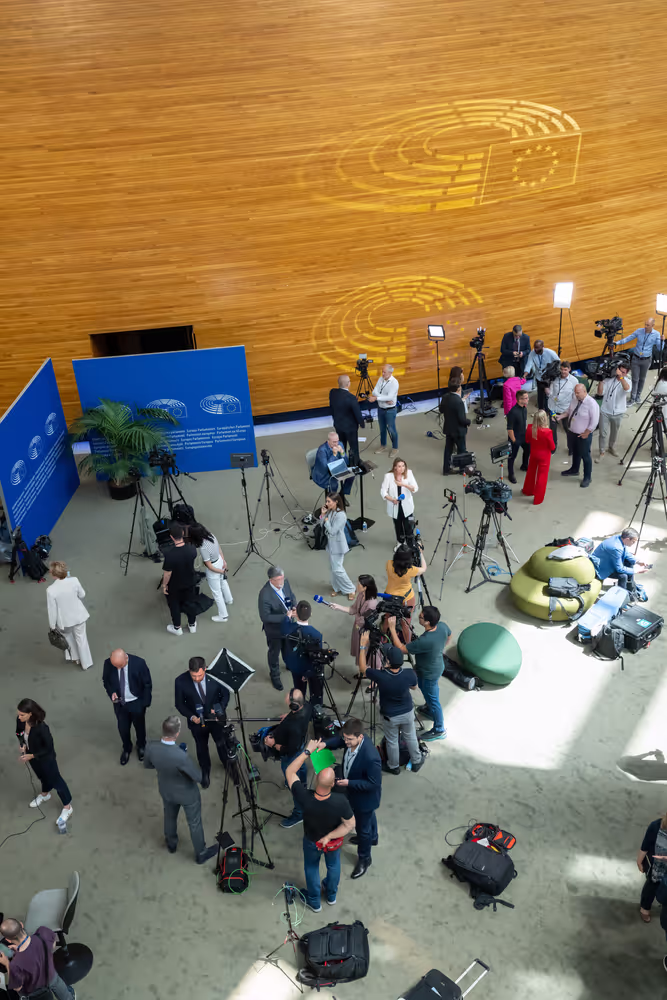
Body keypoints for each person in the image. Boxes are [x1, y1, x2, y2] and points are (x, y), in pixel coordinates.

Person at [285, 739, 356, 912]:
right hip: (333, 842)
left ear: (316, 780)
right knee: (333, 865)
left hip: (311, 840)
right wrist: (330, 837)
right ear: (333, 784)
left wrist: (307, 751)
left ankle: (315, 901)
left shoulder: (304, 797)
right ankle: (331, 895)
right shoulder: (341, 801)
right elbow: (350, 825)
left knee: (311, 867)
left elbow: (290, 771)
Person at [143, 715, 218, 864]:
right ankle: (201, 852)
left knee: (169, 816)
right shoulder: (180, 756)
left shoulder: (150, 746)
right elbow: (197, 776)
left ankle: (171, 844)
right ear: (177, 733)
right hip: (187, 794)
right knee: (194, 823)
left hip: (166, 789)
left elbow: (148, 765)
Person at [321, 718, 382, 879]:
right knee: (369, 819)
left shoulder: (370, 757)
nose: (346, 742)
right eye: (345, 738)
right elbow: (339, 740)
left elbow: (373, 784)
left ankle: (365, 858)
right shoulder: (351, 740)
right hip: (355, 793)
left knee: (363, 829)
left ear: (360, 737)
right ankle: (374, 838)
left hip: (365, 798)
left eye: (349, 739)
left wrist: (349, 782)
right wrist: (324, 744)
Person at [358, 633, 424, 774]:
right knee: (410, 736)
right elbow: (414, 687)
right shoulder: (409, 673)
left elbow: (363, 669)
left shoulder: (381, 676)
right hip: (407, 712)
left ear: (387, 661)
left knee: (392, 740)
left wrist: (363, 646)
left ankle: (393, 766)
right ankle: (417, 761)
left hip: (390, 716)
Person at [387, 607, 451, 742]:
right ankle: (429, 709)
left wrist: (392, 629)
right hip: (434, 667)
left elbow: (402, 649)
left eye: (421, 617)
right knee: (425, 689)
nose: (419, 618)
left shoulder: (425, 641)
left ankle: (440, 729)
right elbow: (449, 635)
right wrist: (438, 650)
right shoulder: (442, 626)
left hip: (429, 673)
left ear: (427, 622)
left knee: (434, 700)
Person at [15, 699, 73, 829]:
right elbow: (19, 732)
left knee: (56, 781)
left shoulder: (42, 728)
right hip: (32, 756)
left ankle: (67, 806)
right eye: (18, 714)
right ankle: (45, 794)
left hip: (45, 758)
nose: (19, 717)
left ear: (30, 714)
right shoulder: (20, 720)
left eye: (22, 715)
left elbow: (49, 748)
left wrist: (33, 755)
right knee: (41, 776)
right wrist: (22, 744)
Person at [174, 656, 230, 788]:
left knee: (222, 742)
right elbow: (180, 704)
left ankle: (227, 764)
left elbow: (225, 694)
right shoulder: (180, 681)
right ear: (189, 671)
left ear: (205, 669)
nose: (197, 679)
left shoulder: (216, 676)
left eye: (200, 675)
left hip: (216, 719)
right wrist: (191, 716)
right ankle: (205, 771)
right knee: (201, 747)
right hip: (197, 722)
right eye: (193, 676)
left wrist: (219, 708)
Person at [264, 688, 314, 829]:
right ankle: (302, 784)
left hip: (291, 755)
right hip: (301, 749)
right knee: (301, 768)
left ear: (294, 705)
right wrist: (290, 715)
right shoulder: (307, 707)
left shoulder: (294, 727)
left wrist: (273, 744)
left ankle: (299, 813)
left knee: (294, 782)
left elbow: (289, 750)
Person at [0, 917, 75, 1000]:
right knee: (60, 988)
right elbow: (52, 944)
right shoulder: (42, 932)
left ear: (8, 940)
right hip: (50, 974)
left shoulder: (16, 963)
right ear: (21, 924)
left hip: (35, 988)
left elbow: (17, 987)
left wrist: (7, 963)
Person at [102, 648, 152, 765]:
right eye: (116, 666)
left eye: (120, 666)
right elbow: (106, 681)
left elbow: (147, 684)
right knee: (123, 729)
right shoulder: (108, 664)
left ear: (126, 658)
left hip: (136, 702)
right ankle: (127, 748)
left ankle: (141, 746)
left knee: (139, 727)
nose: (118, 669)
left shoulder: (139, 663)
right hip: (120, 704)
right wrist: (112, 692)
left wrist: (144, 703)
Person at [46, 561, 93, 670]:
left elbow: (52, 610)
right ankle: (86, 663)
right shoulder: (74, 580)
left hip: (64, 621)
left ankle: (74, 657)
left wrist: (52, 626)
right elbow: (82, 594)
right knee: (82, 638)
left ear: (53, 575)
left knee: (68, 638)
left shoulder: (50, 590)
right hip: (79, 616)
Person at [258, 565, 297, 690]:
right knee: (274, 653)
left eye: (282, 578)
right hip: (275, 631)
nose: (282, 581)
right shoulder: (264, 595)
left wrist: (294, 606)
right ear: (271, 580)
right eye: (279, 579)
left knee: (288, 647)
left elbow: (292, 595)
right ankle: (274, 675)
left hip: (289, 626)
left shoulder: (285, 583)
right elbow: (265, 617)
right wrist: (285, 616)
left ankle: (289, 664)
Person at [555, 383, 599, 488]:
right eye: (575, 392)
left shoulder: (592, 404)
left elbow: (595, 421)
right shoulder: (575, 399)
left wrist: (587, 433)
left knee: (585, 455)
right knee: (575, 452)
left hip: (583, 435)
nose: (576, 394)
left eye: (578, 393)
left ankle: (587, 477)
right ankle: (574, 469)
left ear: (584, 391)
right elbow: (569, 411)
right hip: (572, 432)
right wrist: (560, 416)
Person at [281, 600, 324, 704]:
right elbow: (317, 655)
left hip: (295, 666)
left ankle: (300, 706)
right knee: (315, 690)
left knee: (299, 689)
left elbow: (283, 628)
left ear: (296, 615)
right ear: (311, 614)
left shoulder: (289, 629)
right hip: (309, 668)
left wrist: (288, 617)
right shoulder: (316, 634)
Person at [188, 522, 233, 622]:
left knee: (216, 593)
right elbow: (219, 548)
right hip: (219, 560)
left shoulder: (203, 547)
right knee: (223, 582)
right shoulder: (211, 535)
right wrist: (223, 561)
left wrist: (220, 571)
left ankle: (223, 615)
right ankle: (229, 599)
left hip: (214, 567)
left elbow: (209, 565)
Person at [330, 574, 379, 665]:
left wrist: (358, 624)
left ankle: (364, 670)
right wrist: (338, 607)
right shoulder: (360, 595)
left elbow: (366, 619)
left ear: (365, 587)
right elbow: (354, 609)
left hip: (364, 630)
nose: (356, 585)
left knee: (364, 650)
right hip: (358, 627)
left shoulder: (371, 604)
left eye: (359, 584)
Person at [161, 522, 198, 636]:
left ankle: (177, 628)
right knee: (190, 603)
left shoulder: (170, 555)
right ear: (182, 533)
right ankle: (192, 625)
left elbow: (167, 574)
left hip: (175, 585)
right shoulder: (192, 548)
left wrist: (164, 585)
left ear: (171, 537)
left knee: (174, 605)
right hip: (190, 582)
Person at [615, 317, 662, 404]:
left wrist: (661, 341)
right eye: (645, 324)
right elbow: (628, 338)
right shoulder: (639, 331)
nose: (646, 326)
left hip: (646, 360)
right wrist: (617, 343)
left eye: (648, 325)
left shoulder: (656, 334)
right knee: (635, 379)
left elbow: (660, 349)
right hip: (636, 359)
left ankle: (638, 396)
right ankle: (632, 398)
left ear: (653, 325)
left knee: (642, 379)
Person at [385, 543, 427, 640]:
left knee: (388, 618)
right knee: (406, 622)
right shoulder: (411, 570)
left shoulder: (388, 563)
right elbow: (424, 568)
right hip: (406, 598)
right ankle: (407, 644)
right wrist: (420, 553)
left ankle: (384, 638)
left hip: (389, 596)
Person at [319, 492, 355, 600]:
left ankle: (350, 589)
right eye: (326, 501)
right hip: (331, 544)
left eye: (329, 501)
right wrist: (323, 515)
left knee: (337, 569)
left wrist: (325, 519)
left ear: (336, 502)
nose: (326, 503)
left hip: (338, 545)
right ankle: (337, 587)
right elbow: (322, 524)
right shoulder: (330, 512)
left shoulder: (341, 515)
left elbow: (332, 531)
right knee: (333, 568)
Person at [592, 528, 650, 594]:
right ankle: (621, 594)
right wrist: (636, 571)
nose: (634, 544)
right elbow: (620, 569)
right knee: (623, 576)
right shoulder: (616, 548)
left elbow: (625, 553)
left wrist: (638, 561)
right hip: (600, 568)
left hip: (608, 561)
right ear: (627, 539)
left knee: (629, 563)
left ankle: (630, 586)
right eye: (633, 542)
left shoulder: (618, 538)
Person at [595, 362, 631, 462]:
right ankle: (602, 451)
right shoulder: (609, 380)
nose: (621, 373)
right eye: (620, 371)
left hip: (619, 412)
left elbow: (627, 389)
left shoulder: (627, 381)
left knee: (614, 432)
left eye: (624, 372)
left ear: (626, 373)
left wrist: (621, 378)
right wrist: (601, 381)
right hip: (605, 411)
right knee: (603, 433)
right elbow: (600, 393)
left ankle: (612, 448)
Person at [637, 811, 667, 925]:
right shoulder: (655, 826)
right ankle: (645, 907)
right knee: (651, 887)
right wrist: (640, 860)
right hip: (656, 867)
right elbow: (645, 845)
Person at [380, 456, 419, 543]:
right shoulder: (388, 476)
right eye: (399, 466)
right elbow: (383, 491)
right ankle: (400, 543)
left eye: (403, 466)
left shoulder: (409, 473)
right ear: (395, 467)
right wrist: (392, 499)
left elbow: (415, 488)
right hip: (395, 506)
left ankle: (410, 544)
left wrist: (404, 485)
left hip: (407, 507)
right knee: (398, 526)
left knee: (409, 526)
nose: (402, 468)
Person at [521, 409, 556, 505]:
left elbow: (527, 440)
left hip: (533, 454)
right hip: (544, 456)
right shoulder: (548, 432)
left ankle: (527, 490)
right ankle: (538, 499)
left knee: (531, 472)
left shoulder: (529, 428)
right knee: (542, 477)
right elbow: (552, 447)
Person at [329, 374, 365, 464]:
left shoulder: (332, 392)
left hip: (338, 425)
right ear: (348, 384)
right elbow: (358, 414)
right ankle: (355, 463)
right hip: (350, 428)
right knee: (354, 447)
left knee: (341, 445)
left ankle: (342, 462)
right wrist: (362, 424)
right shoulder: (351, 398)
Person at [545, 361, 578, 451]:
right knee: (552, 429)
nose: (563, 372)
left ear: (569, 369)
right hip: (553, 407)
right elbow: (551, 391)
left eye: (565, 370)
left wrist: (571, 410)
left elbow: (575, 397)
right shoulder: (555, 378)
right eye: (562, 369)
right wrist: (547, 391)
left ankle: (571, 448)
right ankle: (553, 447)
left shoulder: (574, 381)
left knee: (568, 429)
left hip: (565, 409)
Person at [440, 380, 471, 475]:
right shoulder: (459, 402)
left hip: (449, 429)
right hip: (458, 430)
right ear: (458, 389)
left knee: (448, 450)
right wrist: (468, 422)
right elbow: (462, 419)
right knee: (461, 449)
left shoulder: (445, 397)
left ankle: (446, 469)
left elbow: (441, 410)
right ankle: (462, 469)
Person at [370, 363, 400, 457]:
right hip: (381, 409)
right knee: (382, 429)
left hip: (390, 410)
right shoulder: (380, 379)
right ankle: (383, 446)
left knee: (392, 429)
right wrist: (385, 398)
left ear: (390, 372)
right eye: (382, 372)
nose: (382, 374)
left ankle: (395, 448)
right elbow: (374, 391)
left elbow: (390, 396)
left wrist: (377, 398)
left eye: (384, 372)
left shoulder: (394, 383)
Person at [312, 430, 352, 495]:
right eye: (334, 442)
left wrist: (342, 453)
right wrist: (334, 455)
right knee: (334, 483)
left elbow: (346, 463)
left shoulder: (340, 444)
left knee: (351, 475)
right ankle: (332, 500)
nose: (336, 444)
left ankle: (342, 495)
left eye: (337, 441)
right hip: (324, 474)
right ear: (328, 441)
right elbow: (326, 468)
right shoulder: (322, 450)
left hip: (336, 468)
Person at [523, 340, 560, 409]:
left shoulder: (550, 353)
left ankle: (548, 409)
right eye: (535, 348)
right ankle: (540, 409)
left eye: (538, 348)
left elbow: (558, 362)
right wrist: (525, 374)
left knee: (548, 394)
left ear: (543, 347)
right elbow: (529, 364)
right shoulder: (532, 353)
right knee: (540, 395)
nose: (536, 350)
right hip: (539, 377)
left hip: (548, 378)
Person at [506, 389, 530, 483]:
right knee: (512, 457)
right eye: (526, 398)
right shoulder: (513, 412)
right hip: (515, 438)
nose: (528, 400)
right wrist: (514, 441)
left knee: (528, 450)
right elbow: (509, 429)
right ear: (519, 400)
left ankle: (524, 465)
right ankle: (510, 474)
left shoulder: (524, 408)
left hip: (524, 436)